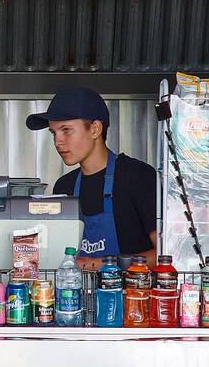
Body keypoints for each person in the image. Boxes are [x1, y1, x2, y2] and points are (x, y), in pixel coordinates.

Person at [26, 86, 158, 271]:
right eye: (54, 133)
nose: (58, 142)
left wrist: (96, 264)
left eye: (66, 130)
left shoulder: (138, 177)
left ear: (95, 129)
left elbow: (164, 254)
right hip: (75, 298)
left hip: (132, 297)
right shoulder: (65, 186)